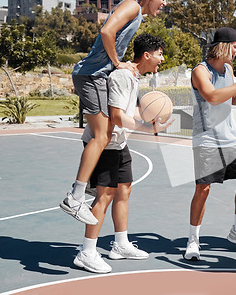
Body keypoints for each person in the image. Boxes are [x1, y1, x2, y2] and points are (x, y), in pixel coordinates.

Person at [61, 0, 168, 225]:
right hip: (90, 75)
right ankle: (75, 196)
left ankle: (86, 187)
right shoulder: (132, 6)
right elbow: (106, 31)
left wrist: (118, 64)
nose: (164, 4)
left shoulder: (137, 14)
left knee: (105, 134)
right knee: (101, 136)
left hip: (94, 74)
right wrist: (117, 64)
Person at [74, 33, 172, 273]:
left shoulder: (134, 77)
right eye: (160, 54)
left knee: (124, 190)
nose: (162, 59)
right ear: (147, 54)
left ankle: (120, 244)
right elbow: (116, 116)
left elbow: (130, 113)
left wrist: (153, 121)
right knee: (104, 196)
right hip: (105, 145)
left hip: (119, 144)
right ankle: (87, 252)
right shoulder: (122, 76)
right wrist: (147, 128)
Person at [184, 27, 236, 261]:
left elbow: (233, 100)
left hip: (230, 137)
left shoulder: (229, 69)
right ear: (223, 46)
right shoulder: (200, 71)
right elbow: (212, 96)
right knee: (203, 189)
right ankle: (193, 240)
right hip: (207, 139)